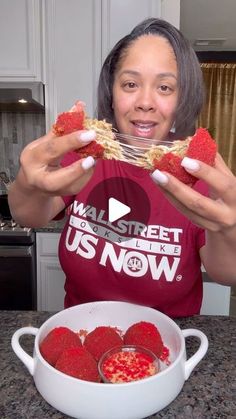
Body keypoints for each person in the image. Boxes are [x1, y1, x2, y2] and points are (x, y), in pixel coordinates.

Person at [8, 18, 236, 317]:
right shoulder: (84, 154)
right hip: (82, 338)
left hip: (166, 347)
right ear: (111, 94)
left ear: (181, 99)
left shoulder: (197, 176)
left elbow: (226, 274)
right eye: (130, 84)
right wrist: (28, 183)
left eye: (165, 87)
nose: (145, 102)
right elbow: (29, 215)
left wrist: (229, 228)